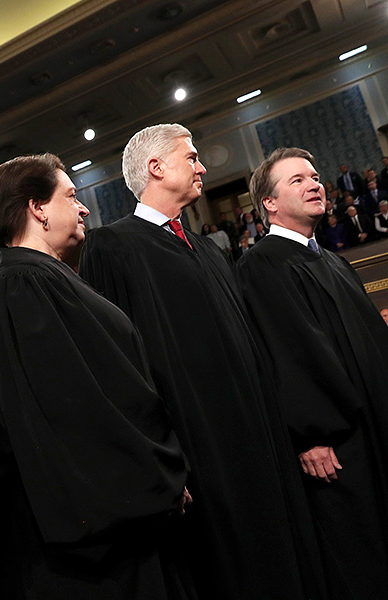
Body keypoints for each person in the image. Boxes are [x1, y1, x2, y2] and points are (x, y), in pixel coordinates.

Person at [80, 124, 325, 600]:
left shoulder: (211, 251)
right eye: (191, 157)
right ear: (156, 167)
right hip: (198, 451)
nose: (202, 166)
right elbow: (119, 369)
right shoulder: (113, 246)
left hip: (260, 438)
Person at [0, 153, 191, 599]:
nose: (84, 207)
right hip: (108, 539)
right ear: (37, 208)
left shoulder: (48, 278)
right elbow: (79, 412)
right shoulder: (22, 286)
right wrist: (156, 478)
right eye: (71, 195)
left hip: (130, 517)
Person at [236, 147, 388, 598]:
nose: (315, 184)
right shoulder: (262, 265)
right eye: (298, 180)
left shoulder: (335, 261)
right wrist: (311, 434)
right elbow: (288, 353)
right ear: (269, 203)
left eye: (316, 176)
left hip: (374, 423)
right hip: (337, 443)